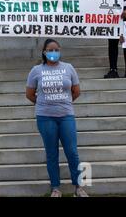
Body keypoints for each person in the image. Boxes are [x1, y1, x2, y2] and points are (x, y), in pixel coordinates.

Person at [26, 39, 88, 197]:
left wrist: (63, 102)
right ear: (44, 52)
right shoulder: (36, 70)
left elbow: (76, 91)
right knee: (51, 153)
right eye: (50, 50)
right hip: (45, 117)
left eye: (56, 49)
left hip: (66, 116)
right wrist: (44, 103)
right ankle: (55, 188)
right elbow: (29, 94)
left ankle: (79, 187)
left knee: (72, 152)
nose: (53, 52)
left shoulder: (69, 68)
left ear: (60, 50)